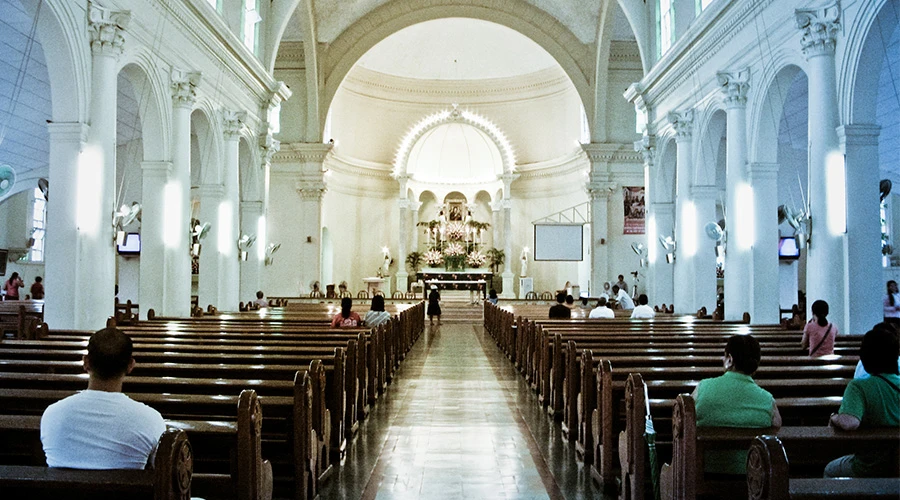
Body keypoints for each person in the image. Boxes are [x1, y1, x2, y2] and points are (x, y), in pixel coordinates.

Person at [40, 328, 166, 469]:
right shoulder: (150, 419)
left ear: (86, 362)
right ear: (131, 365)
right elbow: (160, 470)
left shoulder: (52, 414)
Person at [692, 335, 781, 474]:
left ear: (730, 359)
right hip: (753, 478)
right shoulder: (767, 399)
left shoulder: (703, 387)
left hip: (705, 470)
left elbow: (686, 423)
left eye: (724, 356)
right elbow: (776, 427)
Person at [825, 328, 900, 478]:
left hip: (869, 466)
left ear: (865, 357)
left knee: (829, 471)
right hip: (897, 467)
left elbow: (850, 422)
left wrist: (834, 417)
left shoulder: (859, 386)